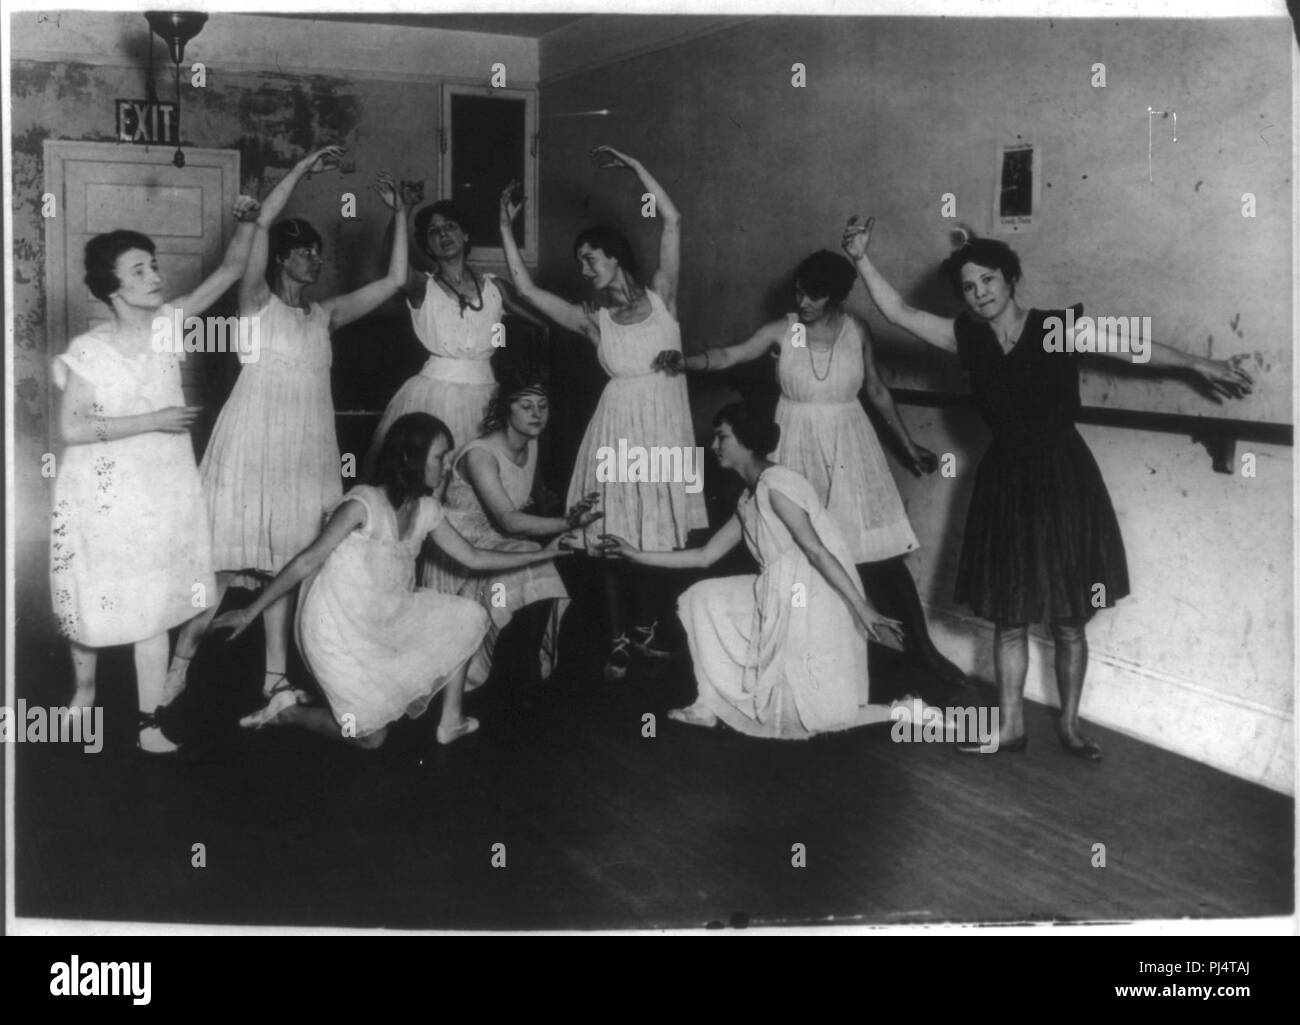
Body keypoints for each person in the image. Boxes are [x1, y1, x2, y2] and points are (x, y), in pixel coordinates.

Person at [841, 217, 1254, 759]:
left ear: (1010, 279)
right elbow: (898, 313)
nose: (979, 293)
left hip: (1064, 477)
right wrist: (860, 259)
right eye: (968, 287)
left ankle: (1071, 726)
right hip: (1006, 480)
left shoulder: (1055, 328)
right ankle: (1011, 726)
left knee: (1068, 618)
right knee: (1009, 617)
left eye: (987, 280)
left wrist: (1200, 363)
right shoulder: (965, 336)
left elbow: (1133, 346)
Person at [166, 145, 408, 708]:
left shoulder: (324, 316)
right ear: (281, 259)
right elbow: (264, 221)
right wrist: (303, 168)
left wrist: (401, 215)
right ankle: (176, 669)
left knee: (287, 560)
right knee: (224, 561)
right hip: (250, 442)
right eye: (304, 254)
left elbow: (395, 281)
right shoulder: (254, 305)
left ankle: (274, 677)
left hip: (305, 450)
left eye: (318, 254)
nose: (314, 262)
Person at [671, 249, 965, 692]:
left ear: (836, 297)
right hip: (795, 441)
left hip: (851, 445)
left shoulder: (857, 330)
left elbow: (878, 391)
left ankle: (923, 651)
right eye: (799, 292)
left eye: (813, 295)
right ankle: (800, 663)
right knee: (796, 552)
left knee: (880, 556)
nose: (802, 301)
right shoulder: (782, 329)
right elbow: (731, 354)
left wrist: (908, 445)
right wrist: (686, 362)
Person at [211, 413, 576, 748]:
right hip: (335, 630)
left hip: (387, 617)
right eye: (440, 457)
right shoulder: (362, 505)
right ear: (409, 460)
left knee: (468, 614)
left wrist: (544, 554)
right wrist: (248, 612)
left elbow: (475, 558)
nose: (449, 464)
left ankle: (451, 721)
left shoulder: (428, 510)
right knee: (372, 737)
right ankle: (287, 712)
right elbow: (306, 561)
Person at [50, 197, 261, 753]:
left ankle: (150, 724)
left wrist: (245, 219)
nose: (154, 276)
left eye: (154, 265)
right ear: (112, 287)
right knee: (95, 594)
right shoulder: (88, 351)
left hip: (161, 487)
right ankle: (84, 694)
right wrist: (157, 419)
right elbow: (72, 430)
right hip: (100, 488)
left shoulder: (170, 326)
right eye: (138, 270)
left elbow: (232, 270)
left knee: (153, 600)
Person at [496, 146, 708, 679]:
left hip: (665, 430)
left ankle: (645, 629)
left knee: (655, 532)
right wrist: (503, 225)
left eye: (591, 259)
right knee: (612, 532)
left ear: (615, 257)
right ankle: (617, 638)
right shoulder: (595, 321)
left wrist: (638, 169)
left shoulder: (662, 296)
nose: (585, 269)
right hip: (617, 431)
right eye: (581, 262)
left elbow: (673, 219)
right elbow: (523, 288)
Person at [599, 403, 904, 739]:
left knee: (812, 719)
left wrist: (862, 608)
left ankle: (901, 710)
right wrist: (633, 553)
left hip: (813, 599)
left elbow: (817, 552)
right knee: (703, 597)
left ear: (745, 440)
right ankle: (707, 705)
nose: (714, 446)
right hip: (778, 588)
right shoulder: (749, 497)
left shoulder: (778, 485)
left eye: (722, 437)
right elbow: (704, 556)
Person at [424, 368, 602, 689]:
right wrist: (568, 523)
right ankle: (513, 676)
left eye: (543, 405)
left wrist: (569, 514)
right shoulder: (481, 454)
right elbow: (508, 519)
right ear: (506, 407)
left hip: (502, 544)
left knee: (538, 567)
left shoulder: (530, 444)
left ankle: (523, 671)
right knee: (533, 561)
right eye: (526, 405)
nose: (537, 414)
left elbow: (525, 504)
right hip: (461, 555)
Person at [362, 199, 539, 479]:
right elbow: (391, 267)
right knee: (422, 479)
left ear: (465, 234)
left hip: (487, 395)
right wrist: (400, 212)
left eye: (450, 226)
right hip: (432, 394)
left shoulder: (496, 288)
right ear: (426, 245)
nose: (443, 234)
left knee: (482, 484)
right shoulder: (422, 286)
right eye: (434, 231)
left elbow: (540, 311)